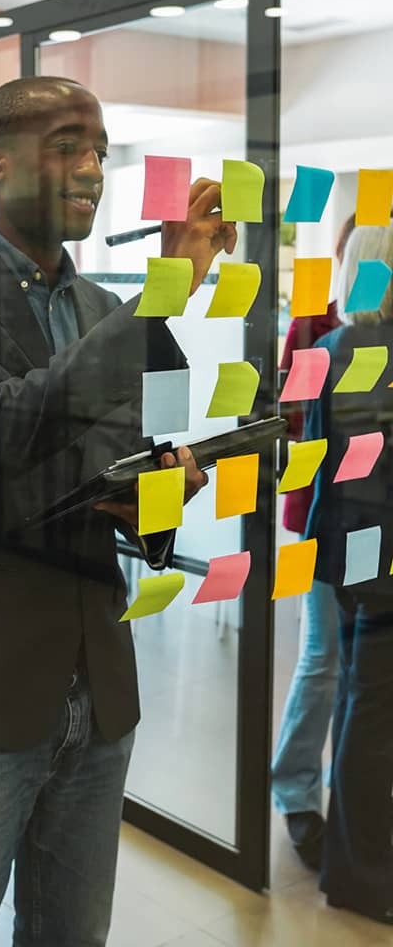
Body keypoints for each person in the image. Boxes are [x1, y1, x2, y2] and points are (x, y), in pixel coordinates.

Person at [0, 77, 235, 946]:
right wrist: (164, 294)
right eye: (69, 145)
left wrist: (157, 494)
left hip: (97, 685)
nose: (94, 170)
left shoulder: (103, 310)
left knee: (75, 933)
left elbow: (105, 484)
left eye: (102, 151)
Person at [302, 225, 393, 925]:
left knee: (360, 702)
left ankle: (350, 857)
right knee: (371, 708)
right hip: (382, 551)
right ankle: (358, 871)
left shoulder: (329, 350)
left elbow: (314, 460)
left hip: (344, 548)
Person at [270, 213, 353, 869]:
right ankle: (296, 794)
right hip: (319, 513)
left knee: (369, 662)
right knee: (322, 657)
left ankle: (351, 790)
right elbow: (289, 419)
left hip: (378, 518)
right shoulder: (314, 325)